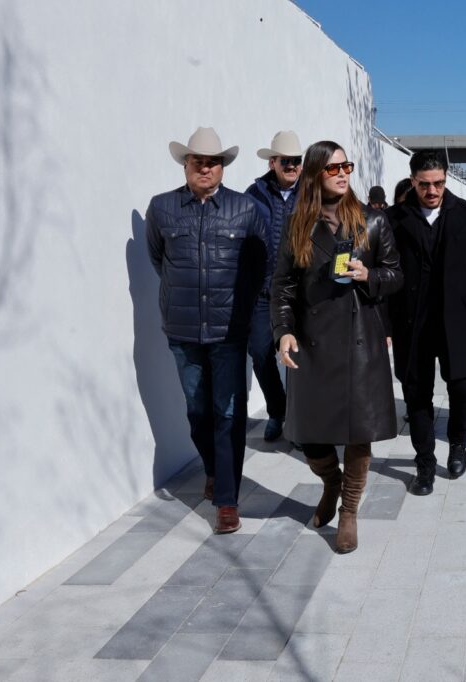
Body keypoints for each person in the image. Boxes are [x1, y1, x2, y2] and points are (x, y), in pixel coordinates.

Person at [270, 141, 402, 553]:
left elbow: (396, 275)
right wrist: (283, 330)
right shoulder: (297, 225)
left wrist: (369, 276)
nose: (343, 173)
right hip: (312, 343)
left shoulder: (372, 220)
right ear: (314, 174)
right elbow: (283, 286)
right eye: (333, 168)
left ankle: (349, 511)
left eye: (347, 166)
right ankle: (331, 482)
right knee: (309, 435)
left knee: (358, 433)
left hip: (360, 340)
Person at [146, 127, 267, 534]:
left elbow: (258, 265)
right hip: (182, 331)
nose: (205, 168)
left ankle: (227, 500)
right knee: (198, 411)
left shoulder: (245, 209)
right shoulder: (162, 208)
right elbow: (159, 260)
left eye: (213, 162)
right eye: (197, 161)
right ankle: (214, 470)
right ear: (185, 164)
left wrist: (243, 311)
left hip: (229, 331)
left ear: (222, 167)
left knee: (228, 414)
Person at [387, 150, 466, 496]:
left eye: (438, 183)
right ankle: (424, 463)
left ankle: (458, 444)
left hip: (457, 320)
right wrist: (385, 326)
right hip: (411, 322)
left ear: (446, 179)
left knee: (463, 387)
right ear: (412, 181)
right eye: (424, 184)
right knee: (416, 393)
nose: (432, 190)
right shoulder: (393, 218)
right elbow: (384, 271)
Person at [245, 130, 302, 442]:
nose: (291, 166)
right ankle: (277, 410)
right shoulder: (253, 194)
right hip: (263, 291)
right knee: (259, 351)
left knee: (301, 357)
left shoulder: (312, 194)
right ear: (272, 163)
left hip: (301, 292)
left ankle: (301, 420)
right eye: (285, 161)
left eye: (296, 160)